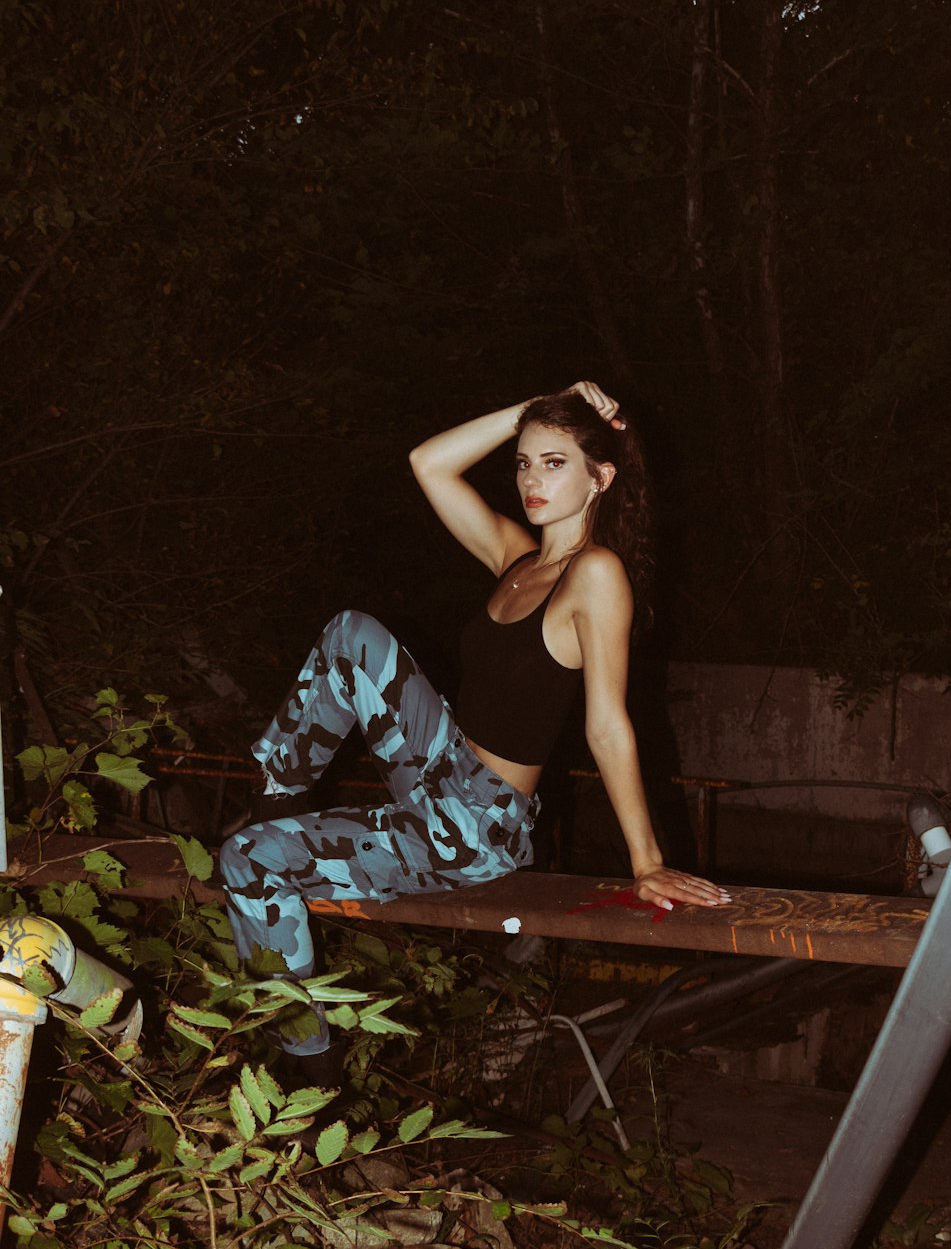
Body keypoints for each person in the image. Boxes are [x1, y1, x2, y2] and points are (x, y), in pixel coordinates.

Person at [219, 380, 730, 1073]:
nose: (531, 478)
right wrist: (534, 407)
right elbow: (428, 463)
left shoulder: (597, 574)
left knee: (247, 861)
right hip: (438, 772)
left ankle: (307, 1059)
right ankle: (274, 804)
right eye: (523, 462)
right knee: (352, 635)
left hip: (475, 822)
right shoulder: (516, 559)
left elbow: (608, 723)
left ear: (600, 477)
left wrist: (645, 861)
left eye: (555, 462)